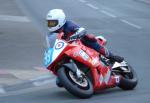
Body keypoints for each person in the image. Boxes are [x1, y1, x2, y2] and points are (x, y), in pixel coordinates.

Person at [46, 9, 124, 63]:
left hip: (78, 43)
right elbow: (51, 46)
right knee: (59, 82)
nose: (51, 25)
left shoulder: (69, 25)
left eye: (53, 23)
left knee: (89, 38)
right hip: (66, 49)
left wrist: (76, 35)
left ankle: (111, 56)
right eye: (49, 23)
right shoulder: (51, 34)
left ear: (61, 20)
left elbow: (81, 30)